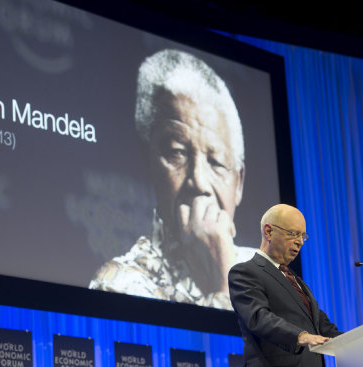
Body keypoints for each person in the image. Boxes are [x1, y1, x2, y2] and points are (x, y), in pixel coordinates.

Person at [89, 49, 254, 309]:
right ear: (147, 163)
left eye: (217, 162)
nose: (198, 182)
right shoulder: (121, 284)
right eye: (177, 153)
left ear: (239, 183)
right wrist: (223, 291)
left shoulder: (273, 280)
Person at [229, 204, 342, 367]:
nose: (300, 242)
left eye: (303, 236)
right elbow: (258, 317)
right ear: (269, 232)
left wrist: (358, 341)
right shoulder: (245, 272)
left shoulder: (296, 280)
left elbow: (321, 325)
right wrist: (300, 336)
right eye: (293, 234)